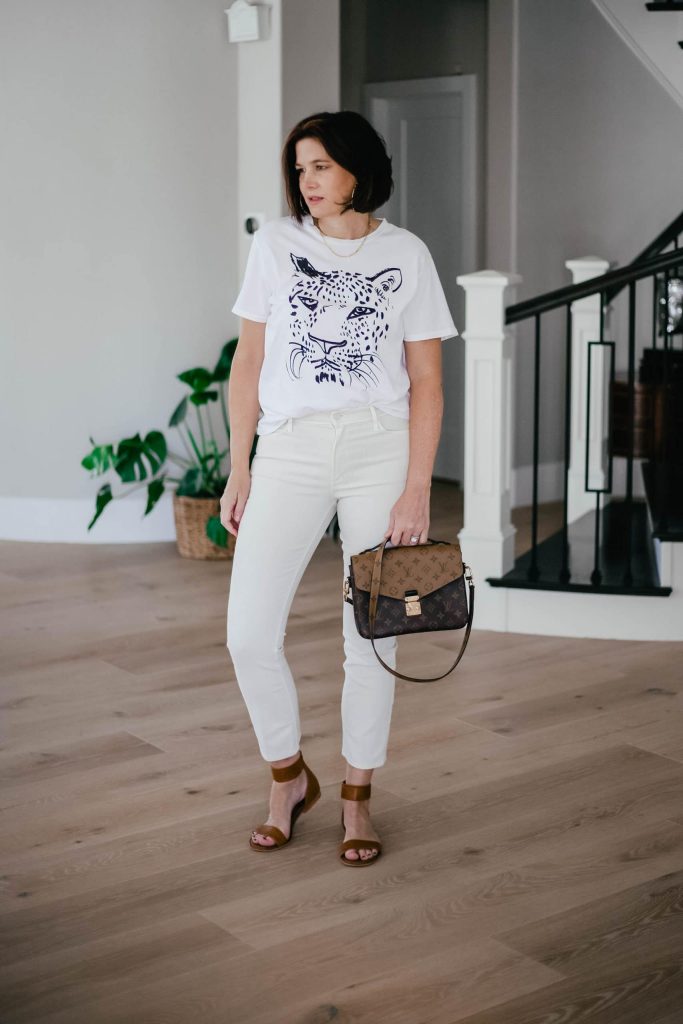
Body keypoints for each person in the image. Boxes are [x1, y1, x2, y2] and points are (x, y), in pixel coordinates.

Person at [222, 110, 458, 867]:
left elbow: (426, 381)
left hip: (377, 448)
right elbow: (248, 363)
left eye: (319, 166)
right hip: (289, 448)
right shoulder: (276, 245)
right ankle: (289, 777)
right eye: (299, 170)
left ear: (357, 168)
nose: (306, 183)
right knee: (248, 634)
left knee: (371, 633)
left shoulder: (406, 254)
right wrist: (239, 461)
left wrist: (416, 487)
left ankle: (357, 795)